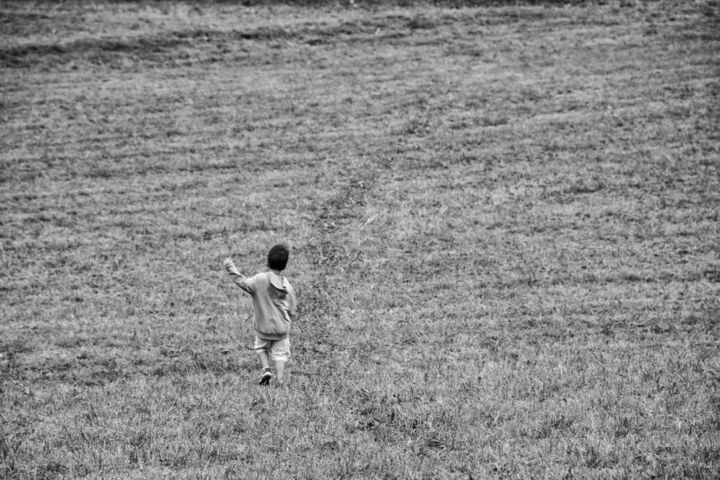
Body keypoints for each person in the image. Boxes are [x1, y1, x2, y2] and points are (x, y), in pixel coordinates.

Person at [223, 244, 297, 386]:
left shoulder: (260, 279)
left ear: (267, 261)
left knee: (261, 347)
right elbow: (292, 308)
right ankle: (280, 380)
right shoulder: (286, 284)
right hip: (282, 328)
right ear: (284, 265)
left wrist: (230, 268)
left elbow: (243, 283)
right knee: (280, 354)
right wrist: (289, 316)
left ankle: (266, 369)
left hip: (263, 328)